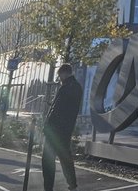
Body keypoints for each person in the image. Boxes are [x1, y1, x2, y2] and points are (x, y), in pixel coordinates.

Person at [41, 63, 82, 191]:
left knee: (48, 159)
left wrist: (46, 126)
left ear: (64, 73)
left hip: (55, 129)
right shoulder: (76, 87)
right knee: (65, 159)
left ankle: (48, 188)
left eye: (60, 75)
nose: (59, 78)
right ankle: (72, 185)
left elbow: (57, 110)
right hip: (66, 129)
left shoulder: (66, 87)